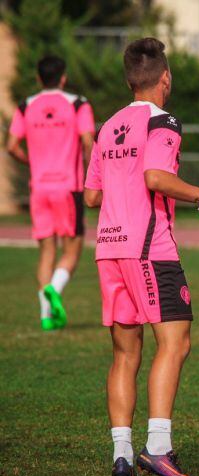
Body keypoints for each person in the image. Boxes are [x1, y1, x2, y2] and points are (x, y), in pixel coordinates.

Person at [83, 38, 199, 476]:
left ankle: (122, 456)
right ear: (165, 77)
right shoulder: (164, 121)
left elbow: (92, 195)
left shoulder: (108, 125)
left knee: (125, 353)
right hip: (148, 248)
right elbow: (156, 177)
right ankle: (160, 447)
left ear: (130, 79)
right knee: (176, 341)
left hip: (108, 247)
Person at [7, 55, 95, 331]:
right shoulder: (78, 104)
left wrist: (32, 163)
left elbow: (11, 146)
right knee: (74, 247)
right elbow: (88, 142)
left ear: (38, 78)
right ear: (64, 77)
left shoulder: (26, 106)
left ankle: (46, 316)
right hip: (68, 186)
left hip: (39, 188)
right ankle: (54, 289)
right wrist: (95, 173)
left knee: (46, 250)